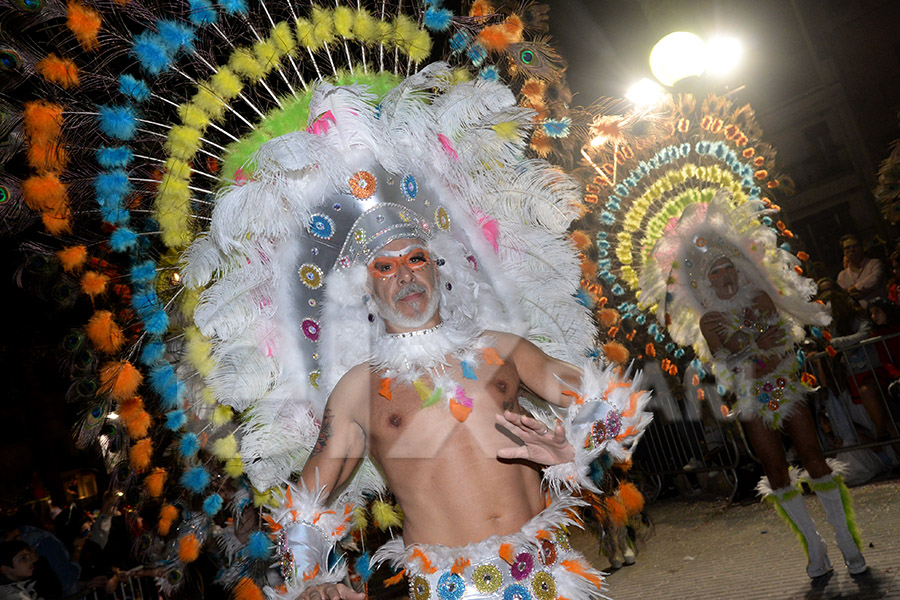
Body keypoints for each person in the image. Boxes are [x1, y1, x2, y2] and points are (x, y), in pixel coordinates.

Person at [182, 66, 650, 600]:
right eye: (384, 267)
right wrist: (312, 579)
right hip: (446, 589)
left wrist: (574, 448)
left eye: (415, 258)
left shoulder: (502, 348)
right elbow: (308, 502)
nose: (404, 273)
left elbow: (608, 401)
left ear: (437, 267)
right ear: (365, 289)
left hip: (548, 576)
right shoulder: (358, 389)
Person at [639, 193, 867, 579]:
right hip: (749, 397)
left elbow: (779, 345)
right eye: (715, 273)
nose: (724, 277)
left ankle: (846, 541)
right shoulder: (710, 319)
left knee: (814, 459)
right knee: (775, 472)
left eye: (728, 268)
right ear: (704, 279)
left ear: (738, 269)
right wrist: (751, 346)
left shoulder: (760, 297)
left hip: (783, 386)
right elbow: (727, 359)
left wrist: (751, 347)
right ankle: (815, 547)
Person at [836, 234, 885, 308]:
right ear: (844, 252)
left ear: (862, 247)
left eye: (854, 246)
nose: (851, 250)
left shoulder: (875, 264)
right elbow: (844, 297)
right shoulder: (842, 276)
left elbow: (874, 280)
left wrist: (854, 289)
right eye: (847, 248)